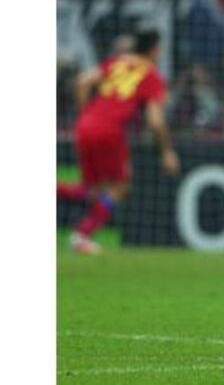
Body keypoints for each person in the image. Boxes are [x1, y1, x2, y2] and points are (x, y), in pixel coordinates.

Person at [57, 29, 180, 254]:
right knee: (120, 187)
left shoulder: (117, 62)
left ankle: (81, 235)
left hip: (85, 125)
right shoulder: (151, 75)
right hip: (110, 130)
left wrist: (86, 116)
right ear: (154, 50)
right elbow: (155, 121)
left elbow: (82, 82)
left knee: (91, 190)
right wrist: (166, 151)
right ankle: (82, 235)